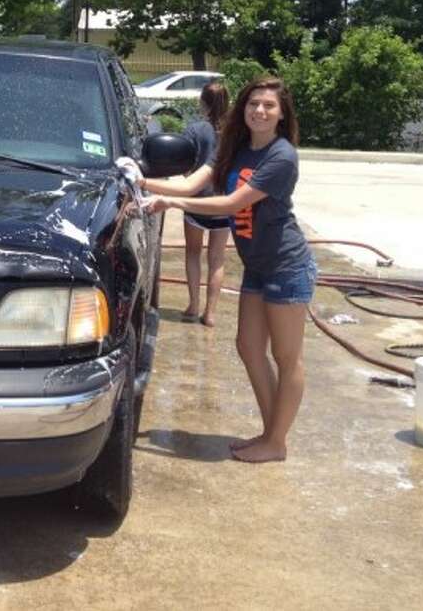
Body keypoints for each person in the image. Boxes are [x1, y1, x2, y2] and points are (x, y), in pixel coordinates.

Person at [141, 77, 316, 464]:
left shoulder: (282, 156)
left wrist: (171, 204)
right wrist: (140, 181)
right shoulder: (234, 148)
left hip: (286, 265)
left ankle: (276, 442)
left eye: (269, 105)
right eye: (253, 103)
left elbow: (233, 204)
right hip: (256, 266)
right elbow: (191, 185)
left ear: (282, 114)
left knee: (287, 357)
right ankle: (271, 434)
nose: (260, 111)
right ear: (243, 108)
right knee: (248, 347)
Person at [135, 81, 230, 327]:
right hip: (223, 202)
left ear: (203, 103)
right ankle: (210, 313)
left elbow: (184, 162)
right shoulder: (233, 131)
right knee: (217, 258)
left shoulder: (196, 129)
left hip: (195, 200)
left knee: (193, 253)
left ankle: (193, 305)